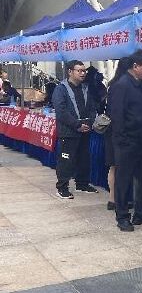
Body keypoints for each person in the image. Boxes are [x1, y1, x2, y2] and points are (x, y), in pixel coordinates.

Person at [108, 49, 142, 232]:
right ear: (135, 66)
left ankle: (141, 212)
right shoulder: (122, 85)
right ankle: (122, 216)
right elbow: (117, 116)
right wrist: (123, 140)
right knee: (124, 180)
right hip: (128, 142)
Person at [51, 60, 99, 199]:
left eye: (84, 71)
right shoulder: (61, 89)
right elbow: (61, 111)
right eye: (79, 70)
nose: (83, 73)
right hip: (69, 131)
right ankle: (62, 187)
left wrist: (89, 122)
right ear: (70, 72)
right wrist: (77, 125)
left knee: (84, 159)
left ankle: (82, 184)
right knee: (66, 160)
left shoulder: (85, 88)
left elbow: (92, 108)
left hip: (85, 130)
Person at [104, 57, 133, 211]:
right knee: (117, 167)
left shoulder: (113, 85)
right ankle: (116, 200)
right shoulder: (122, 86)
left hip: (112, 131)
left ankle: (113, 199)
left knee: (114, 166)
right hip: (119, 132)